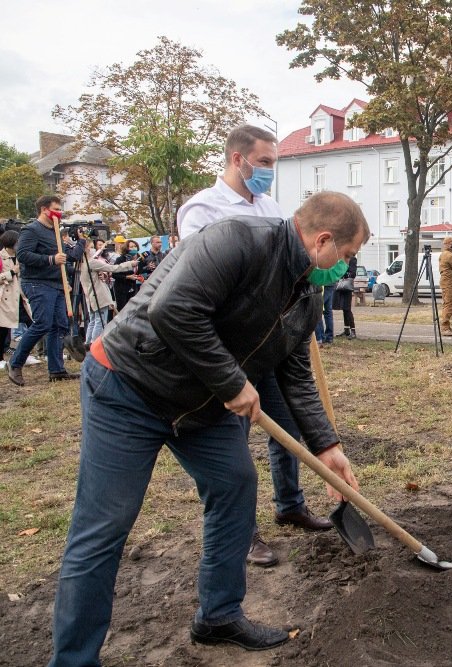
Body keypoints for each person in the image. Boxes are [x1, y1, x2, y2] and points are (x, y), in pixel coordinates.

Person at [49, 192, 369, 664]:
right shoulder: (236, 241)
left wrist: (327, 446)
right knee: (104, 525)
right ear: (322, 240)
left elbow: (296, 372)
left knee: (235, 484)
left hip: (201, 404)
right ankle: (74, 659)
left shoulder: (307, 292)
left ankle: (218, 615)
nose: (345, 267)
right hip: (129, 386)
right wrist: (232, 382)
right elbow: (171, 310)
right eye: (346, 255)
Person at [178, 124, 332, 568]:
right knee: (233, 448)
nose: (269, 171)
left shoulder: (271, 208)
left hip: (271, 345)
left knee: (288, 426)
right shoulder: (201, 210)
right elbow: (199, 282)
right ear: (237, 159)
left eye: (273, 163)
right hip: (229, 351)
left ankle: (290, 504)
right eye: (264, 162)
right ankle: (243, 534)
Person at [7, 195, 84, 386]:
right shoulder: (31, 230)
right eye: (56, 209)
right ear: (44, 209)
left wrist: (80, 244)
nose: (59, 213)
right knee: (43, 323)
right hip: (37, 283)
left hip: (56, 284)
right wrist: (50, 259)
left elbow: (67, 257)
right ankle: (15, 363)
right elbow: (23, 255)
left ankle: (56, 370)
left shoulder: (55, 231)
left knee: (60, 326)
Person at [77, 238, 138, 344]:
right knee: (100, 322)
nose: (94, 250)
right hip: (98, 295)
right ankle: (94, 344)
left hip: (90, 296)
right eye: (91, 247)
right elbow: (113, 268)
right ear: (86, 249)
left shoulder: (79, 263)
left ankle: (88, 343)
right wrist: (129, 264)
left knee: (93, 321)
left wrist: (103, 274)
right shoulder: (91, 262)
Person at [0, 230, 24, 365]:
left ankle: (23, 353)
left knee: (31, 323)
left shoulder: (20, 256)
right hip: (5, 297)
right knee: (3, 329)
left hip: (20, 296)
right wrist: (11, 272)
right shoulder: (1, 257)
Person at [112, 239, 142, 312]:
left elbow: (138, 272)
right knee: (122, 310)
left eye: (135, 246)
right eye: (131, 247)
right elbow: (114, 274)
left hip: (133, 288)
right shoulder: (121, 259)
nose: (134, 248)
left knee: (132, 310)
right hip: (122, 288)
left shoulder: (139, 259)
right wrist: (127, 277)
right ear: (127, 248)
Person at [332, 256, 358, 340]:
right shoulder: (341, 258)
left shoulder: (352, 259)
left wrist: (342, 273)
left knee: (347, 309)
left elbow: (353, 274)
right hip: (340, 286)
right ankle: (346, 330)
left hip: (347, 287)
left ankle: (353, 331)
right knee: (344, 309)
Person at [438, 236, 452, 336]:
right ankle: (445, 327)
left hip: (445, 281)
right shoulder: (450, 256)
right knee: (449, 305)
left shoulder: (443, 254)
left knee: (447, 304)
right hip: (449, 283)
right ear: (450, 244)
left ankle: (446, 326)